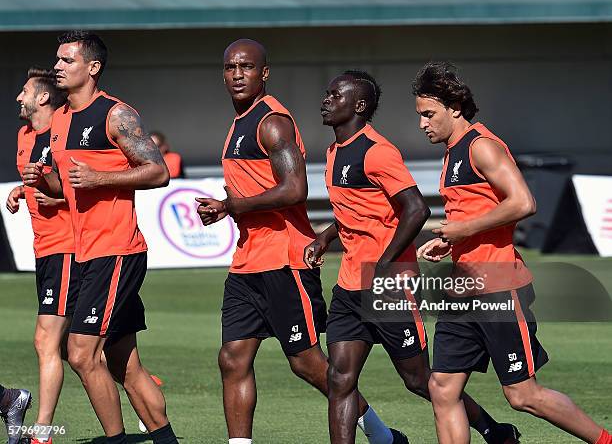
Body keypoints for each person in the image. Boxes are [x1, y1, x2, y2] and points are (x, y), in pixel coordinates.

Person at [197, 39, 407, 444]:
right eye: (230, 68)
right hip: (247, 260)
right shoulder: (237, 124)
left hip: (285, 257)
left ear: (264, 73)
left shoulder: (271, 121)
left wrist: (230, 205)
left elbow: (295, 189)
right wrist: (229, 208)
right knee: (232, 358)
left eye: (246, 67)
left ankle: (382, 436)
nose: (237, 74)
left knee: (308, 363)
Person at [306, 70, 521, 444]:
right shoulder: (333, 151)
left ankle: (492, 429)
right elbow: (355, 212)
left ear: (358, 105)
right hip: (349, 286)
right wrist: (326, 237)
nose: (326, 100)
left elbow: (416, 209)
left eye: (334, 95)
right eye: (327, 94)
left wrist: (386, 263)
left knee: (420, 380)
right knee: (339, 379)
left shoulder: (377, 151)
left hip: (388, 286)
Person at [413, 61, 612, 444]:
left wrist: (465, 228)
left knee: (523, 395)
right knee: (441, 388)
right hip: (463, 291)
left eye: (428, 114)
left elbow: (524, 202)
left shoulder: (481, 146)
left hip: (498, 286)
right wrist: (452, 240)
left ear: (454, 108)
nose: (422, 123)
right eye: (420, 115)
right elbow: (478, 211)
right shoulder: (452, 152)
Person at [21, 30, 177, 444]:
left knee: (79, 352)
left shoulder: (116, 114)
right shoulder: (59, 122)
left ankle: (115, 440)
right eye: (57, 59)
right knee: (123, 363)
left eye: (67, 60)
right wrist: (46, 181)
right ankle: (166, 440)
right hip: (86, 252)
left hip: (118, 250)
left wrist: (100, 177)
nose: (57, 66)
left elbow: (158, 172)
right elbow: (66, 189)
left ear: (92, 68)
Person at [6, 67, 74, 444]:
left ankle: (42, 434)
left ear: (43, 97)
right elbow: (38, 176)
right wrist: (22, 189)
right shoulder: (24, 134)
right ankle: (149, 397)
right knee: (89, 351)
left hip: (68, 246)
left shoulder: (67, 131)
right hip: (44, 249)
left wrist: (61, 196)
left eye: (24, 90)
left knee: (47, 342)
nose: (18, 97)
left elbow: (82, 183)